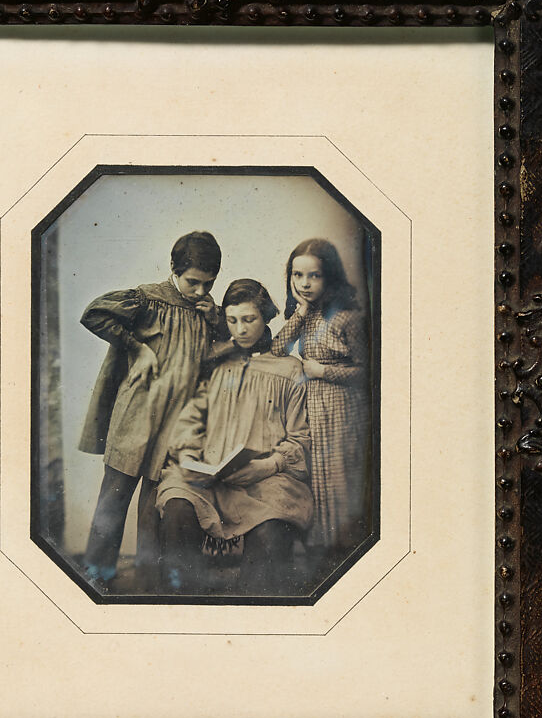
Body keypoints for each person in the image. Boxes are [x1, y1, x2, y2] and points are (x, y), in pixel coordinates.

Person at [78, 231, 221, 586]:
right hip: (137, 417)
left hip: (175, 425)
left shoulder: (206, 311)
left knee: (152, 508)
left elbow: (231, 349)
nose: (201, 291)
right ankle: (97, 576)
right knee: (113, 501)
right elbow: (94, 313)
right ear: (174, 268)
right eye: (193, 282)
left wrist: (215, 317)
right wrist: (136, 347)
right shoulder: (147, 299)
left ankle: (148, 581)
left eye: (209, 284)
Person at [157, 279, 313, 594]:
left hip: (266, 481)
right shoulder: (217, 364)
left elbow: (301, 437)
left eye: (248, 319)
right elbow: (192, 417)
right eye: (232, 320)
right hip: (209, 478)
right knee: (176, 509)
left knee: (269, 537)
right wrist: (188, 455)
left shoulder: (290, 369)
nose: (239, 329)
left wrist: (269, 465)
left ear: (267, 316)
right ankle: (183, 612)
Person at [271, 238, 369, 559]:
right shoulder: (308, 314)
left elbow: (368, 373)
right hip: (314, 407)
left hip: (343, 408)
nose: (304, 283)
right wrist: (300, 311)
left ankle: (344, 552)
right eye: (297, 275)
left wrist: (322, 371)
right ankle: (322, 552)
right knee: (318, 478)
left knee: (341, 478)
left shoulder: (347, 317)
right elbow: (276, 349)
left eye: (314, 276)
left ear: (331, 277)